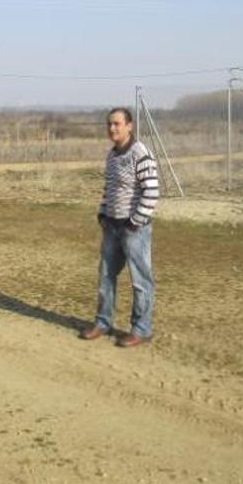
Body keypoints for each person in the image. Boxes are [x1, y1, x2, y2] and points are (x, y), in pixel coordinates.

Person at [79, 107, 159, 348]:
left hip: (134, 229)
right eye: (109, 124)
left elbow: (152, 191)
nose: (112, 128)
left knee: (140, 281)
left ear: (129, 125)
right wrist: (103, 213)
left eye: (117, 124)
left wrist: (135, 221)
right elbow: (110, 189)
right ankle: (103, 323)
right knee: (105, 277)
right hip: (111, 227)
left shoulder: (140, 153)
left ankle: (141, 329)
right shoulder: (112, 155)